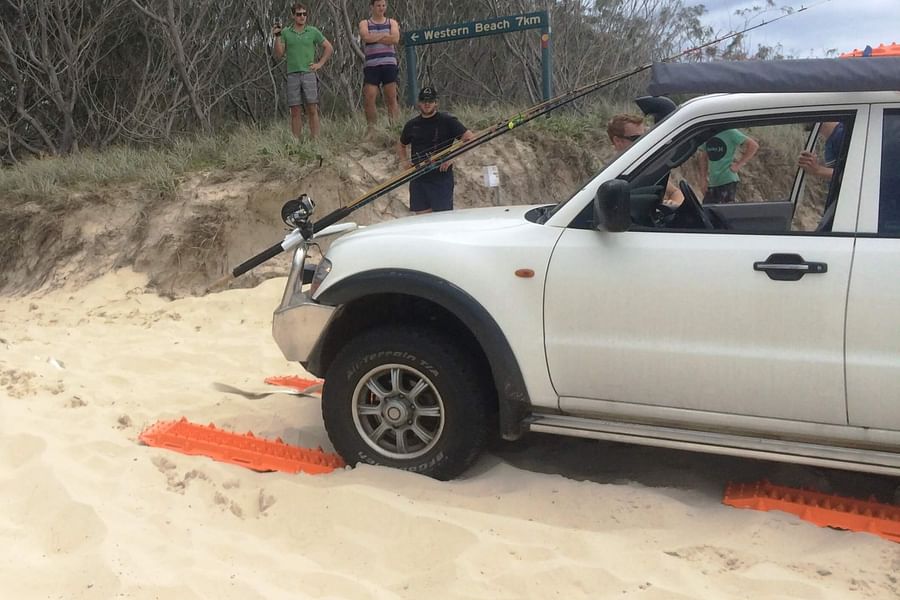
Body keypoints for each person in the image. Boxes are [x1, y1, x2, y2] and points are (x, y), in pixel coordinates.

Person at [396, 86, 476, 214]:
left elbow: (470, 138)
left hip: (441, 178)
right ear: (419, 103)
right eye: (423, 101)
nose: (427, 104)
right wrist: (405, 162)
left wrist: (451, 158)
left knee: (442, 219)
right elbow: (401, 144)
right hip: (418, 177)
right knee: (422, 219)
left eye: (430, 101)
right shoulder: (412, 124)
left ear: (436, 103)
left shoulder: (448, 120)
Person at [273, 3, 334, 139]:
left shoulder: (312, 31)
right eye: (299, 14)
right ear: (293, 15)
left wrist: (319, 64)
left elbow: (329, 47)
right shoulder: (286, 32)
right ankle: (296, 141)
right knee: (295, 110)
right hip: (293, 75)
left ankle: (315, 139)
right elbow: (279, 53)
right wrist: (277, 36)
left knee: (312, 108)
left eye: (304, 14)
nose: (302, 17)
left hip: (309, 74)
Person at [606, 113, 684, 206]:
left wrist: (673, 203)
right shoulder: (610, 176)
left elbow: (675, 193)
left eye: (644, 138)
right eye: (637, 138)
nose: (643, 143)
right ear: (617, 141)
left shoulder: (644, 166)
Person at [359, 0, 400, 134]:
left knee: (391, 97)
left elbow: (394, 39)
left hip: (389, 64)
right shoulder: (365, 23)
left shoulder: (392, 22)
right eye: (378, 5)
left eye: (383, 5)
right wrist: (384, 35)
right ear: (372, 7)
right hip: (372, 65)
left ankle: (394, 128)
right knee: (369, 97)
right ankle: (372, 130)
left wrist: (375, 37)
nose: (381, 8)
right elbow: (366, 37)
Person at [698, 129, 759, 204]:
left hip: (727, 180)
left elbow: (753, 145)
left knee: (723, 212)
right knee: (707, 209)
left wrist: (739, 164)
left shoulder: (730, 132)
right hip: (713, 182)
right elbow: (703, 157)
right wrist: (703, 179)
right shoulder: (708, 133)